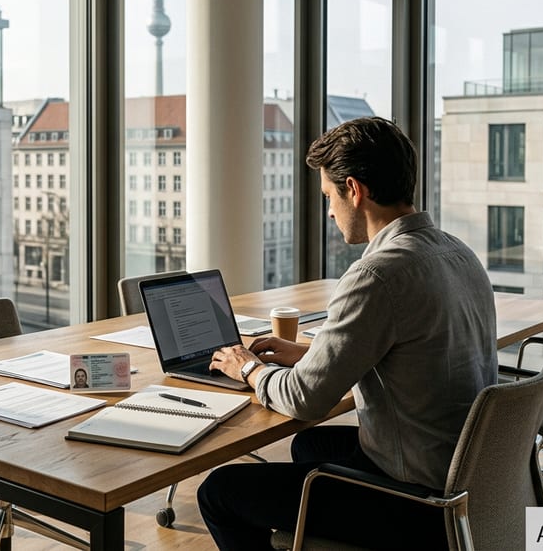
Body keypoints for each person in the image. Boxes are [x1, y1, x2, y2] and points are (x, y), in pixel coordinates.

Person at [199, 117, 497, 549]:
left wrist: (248, 369)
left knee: (220, 492)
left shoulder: (377, 274)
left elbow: (305, 400)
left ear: (354, 191)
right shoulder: (456, 251)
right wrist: (310, 352)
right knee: (311, 445)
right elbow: (410, 348)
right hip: (467, 472)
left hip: (418, 498)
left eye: (329, 197)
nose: (330, 211)